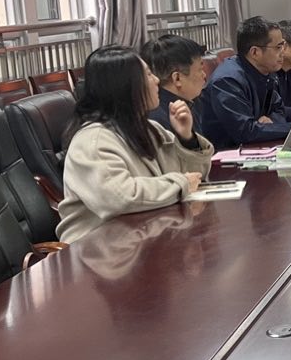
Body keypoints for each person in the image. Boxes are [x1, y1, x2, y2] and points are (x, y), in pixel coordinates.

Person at [57, 46, 212, 243]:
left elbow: (196, 178)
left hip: (145, 238)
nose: (157, 80)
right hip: (97, 249)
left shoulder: (150, 128)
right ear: (125, 86)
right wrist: (180, 184)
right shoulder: (93, 141)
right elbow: (120, 197)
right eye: (148, 75)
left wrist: (186, 138)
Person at [200, 16, 291, 148]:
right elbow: (245, 131)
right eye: (278, 47)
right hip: (226, 154)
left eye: (283, 45)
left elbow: (279, 108)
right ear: (255, 52)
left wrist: (272, 122)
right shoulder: (227, 81)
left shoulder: (265, 71)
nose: (283, 52)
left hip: (255, 148)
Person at [139, 34, 207, 138]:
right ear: (177, 78)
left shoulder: (191, 101)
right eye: (200, 70)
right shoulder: (158, 121)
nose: (204, 75)